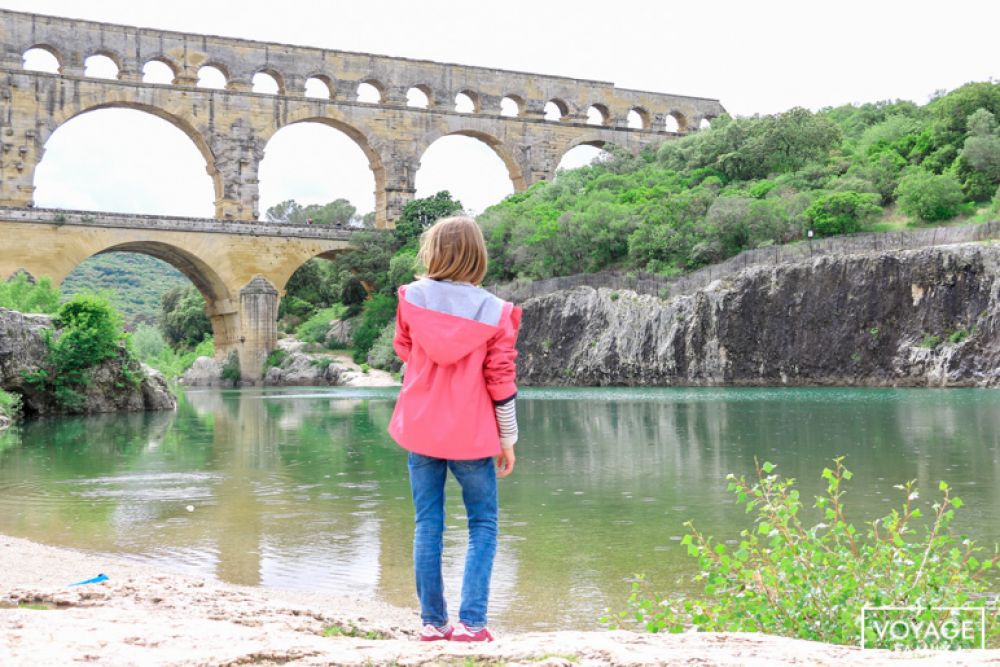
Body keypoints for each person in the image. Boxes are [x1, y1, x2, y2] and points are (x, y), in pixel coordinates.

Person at [388, 215, 522, 643]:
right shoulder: (495, 311)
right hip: (472, 432)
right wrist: (508, 437)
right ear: (477, 255)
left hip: (422, 427)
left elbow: (405, 351)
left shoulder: (411, 297)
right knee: (482, 523)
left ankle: (432, 623)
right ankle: (472, 624)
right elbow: (500, 378)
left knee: (428, 522)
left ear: (433, 252)